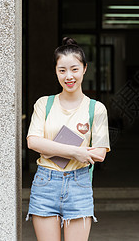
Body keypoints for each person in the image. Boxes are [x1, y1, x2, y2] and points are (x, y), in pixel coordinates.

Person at [26, 37, 110, 240]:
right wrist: (76, 152)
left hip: (78, 184)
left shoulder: (95, 108)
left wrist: (50, 147)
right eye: (62, 70)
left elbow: (99, 153)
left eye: (74, 69)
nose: (68, 76)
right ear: (56, 71)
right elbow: (33, 142)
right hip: (46, 183)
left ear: (84, 69)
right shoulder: (44, 104)